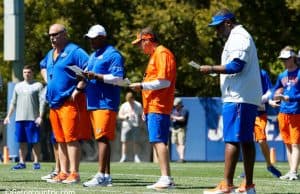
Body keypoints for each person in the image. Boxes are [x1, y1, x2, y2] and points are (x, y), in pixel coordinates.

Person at [200, 9, 262, 194]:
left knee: (232, 140)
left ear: (228, 23)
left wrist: (211, 68)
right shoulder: (239, 37)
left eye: (218, 27)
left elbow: (236, 65)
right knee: (244, 140)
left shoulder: (238, 37)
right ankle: (248, 185)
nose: (217, 31)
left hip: (238, 96)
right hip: (243, 96)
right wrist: (214, 70)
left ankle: (227, 185)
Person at [40, 23, 91, 184]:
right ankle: (63, 172)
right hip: (53, 104)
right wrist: (48, 79)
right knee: (59, 140)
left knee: (71, 139)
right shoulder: (50, 54)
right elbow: (42, 66)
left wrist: (79, 89)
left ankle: (74, 173)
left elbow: (90, 68)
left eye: (55, 34)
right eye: (50, 35)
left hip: (68, 102)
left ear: (64, 34)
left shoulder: (74, 51)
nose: (52, 38)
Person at [129, 26, 176, 190]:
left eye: (141, 43)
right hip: (154, 106)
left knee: (158, 141)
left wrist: (141, 85)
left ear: (148, 39)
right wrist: (145, 107)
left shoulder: (162, 53)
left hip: (159, 105)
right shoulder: (156, 54)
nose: (140, 47)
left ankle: (166, 178)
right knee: (158, 141)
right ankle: (166, 177)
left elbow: (164, 82)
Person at [80, 24, 125, 187]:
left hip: (105, 102)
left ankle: (100, 175)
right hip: (93, 102)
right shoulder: (93, 55)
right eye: (90, 39)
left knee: (102, 138)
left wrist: (97, 76)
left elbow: (118, 78)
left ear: (103, 38)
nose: (91, 41)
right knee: (102, 138)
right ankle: (106, 175)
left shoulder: (113, 55)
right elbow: (88, 72)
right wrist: (82, 76)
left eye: (94, 39)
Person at [239, 69, 282, 179]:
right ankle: (246, 169)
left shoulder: (262, 73)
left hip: (259, 113)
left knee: (262, 140)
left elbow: (269, 91)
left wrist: (266, 100)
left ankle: (269, 165)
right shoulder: (243, 72)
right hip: (246, 111)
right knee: (246, 141)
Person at [3, 65, 45, 170]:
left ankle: (36, 162)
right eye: (25, 72)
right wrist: (8, 116)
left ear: (32, 73)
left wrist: (40, 116)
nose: (27, 74)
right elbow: (13, 102)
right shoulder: (18, 86)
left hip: (33, 118)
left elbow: (42, 102)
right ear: (23, 73)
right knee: (22, 142)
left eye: (29, 72)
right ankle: (22, 162)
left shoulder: (38, 85)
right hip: (20, 119)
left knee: (35, 141)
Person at [269, 46, 300, 181]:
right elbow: (275, 90)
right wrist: (272, 99)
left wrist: (290, 98)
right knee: (288, 143)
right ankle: (291, 170)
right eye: (282, 60)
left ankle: (293, 171)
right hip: (283, 112)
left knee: (295, 143)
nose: (284, 62)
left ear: (293, 58)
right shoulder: (282, 75)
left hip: (296, 112)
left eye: (286, 59)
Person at [118, 91, 143, 163]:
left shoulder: (138, 104)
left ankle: (136, 157)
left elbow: (141, 115)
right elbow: (119, 115)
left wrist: (141, 123)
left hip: (136, 125)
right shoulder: (124, 105)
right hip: (126, 125)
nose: (130, 101)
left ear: (133, 98)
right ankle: (123, 157)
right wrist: (125, 116)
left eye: (131, 100)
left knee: (136, 141)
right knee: (124, 141)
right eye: (128, 100)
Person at [170, 97, 189, 163]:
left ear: (180, 104)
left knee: (181, 143)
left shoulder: (184, 110)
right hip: (174, 129)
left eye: (177, 104)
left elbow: (182, 118)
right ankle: (180, 157)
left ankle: (182, 158)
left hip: (181, 129)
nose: (175, 106)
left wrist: (173, 117)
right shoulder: (173, 110)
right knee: (176, 143)